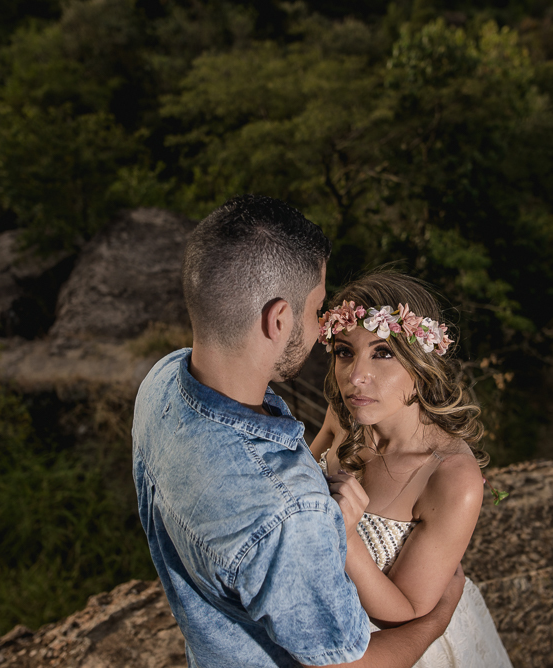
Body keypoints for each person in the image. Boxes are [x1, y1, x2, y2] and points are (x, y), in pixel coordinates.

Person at [132, 195, 466, 668]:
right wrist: (435, 621)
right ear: (279, 320)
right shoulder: (291, 513)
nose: (319, 332)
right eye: (315, 312)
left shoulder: (161, 384)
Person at [311, 270, 514, 668]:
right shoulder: (342, 416)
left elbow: (404, 614)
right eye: (344, 351)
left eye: (383, 352)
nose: (355, 377)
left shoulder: (451, 476)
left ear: (422, 363)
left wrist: (347, 537)